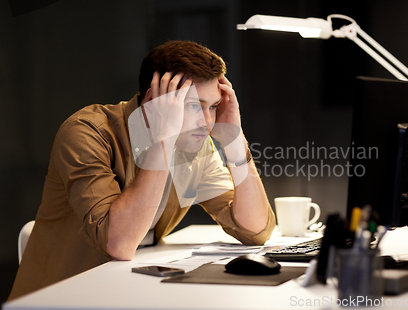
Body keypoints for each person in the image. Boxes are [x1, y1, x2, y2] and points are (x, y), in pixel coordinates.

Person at [8, 40, 275, 300]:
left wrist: (234, 139)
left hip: (129, 291)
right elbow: (120, 243)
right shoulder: (87, 133)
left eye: (213, 107)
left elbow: (255, 230)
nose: (207, 122)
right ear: (153, 101)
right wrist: (163, 140)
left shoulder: (194, 145)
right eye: (194, 105)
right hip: (61, 298)